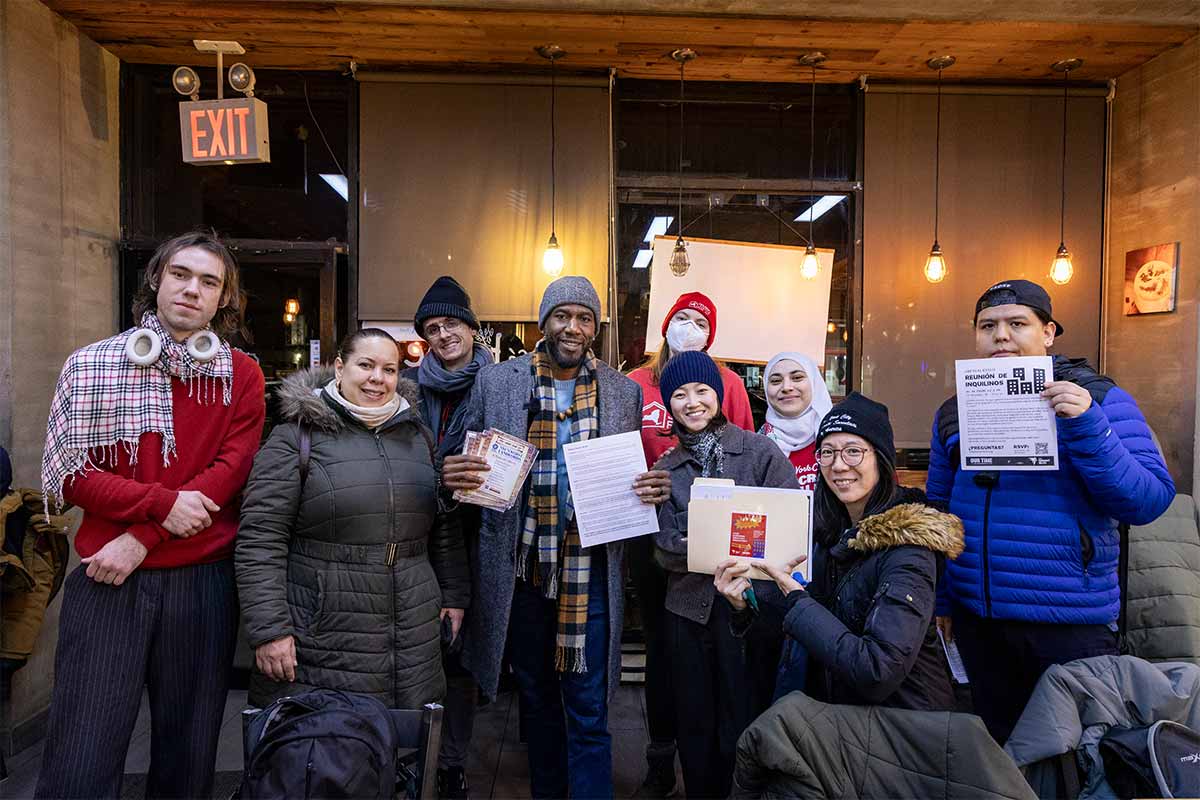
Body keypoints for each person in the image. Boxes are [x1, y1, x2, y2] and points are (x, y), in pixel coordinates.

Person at [35, 231, 266, 799]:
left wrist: (141, 536)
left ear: (224, 299)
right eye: (181, 274)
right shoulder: (91, 365)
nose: (192, 290)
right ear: (156, 279)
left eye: (209, 282)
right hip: (106, 578)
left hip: (201, 582)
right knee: (82, 753)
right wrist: (163, 507)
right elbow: (71, 476)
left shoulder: (242, 375)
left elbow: (230, 471)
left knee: (187, 757)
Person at [441, 276, 667, 799]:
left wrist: (652, 488)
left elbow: (634, 476)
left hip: (591, 569)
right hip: (521, 567)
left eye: (584, 318)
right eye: (562, 315)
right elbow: (459, 460)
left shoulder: (623, 391)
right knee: (537, 699)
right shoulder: (497, 382)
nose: (572, 327)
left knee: (589, 708)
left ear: (595, 329)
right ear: (544, 322)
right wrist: (453, 475)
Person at [927, 279, 1175, 743]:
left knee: (1078, 756)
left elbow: (1148, 500)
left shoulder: (1099, 398)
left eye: (1017, 323)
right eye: (987, 326)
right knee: (1000, 752)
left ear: (1048, 333)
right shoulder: (953, 411)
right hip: (980, 621)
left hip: (1068, 624)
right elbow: (938, 515)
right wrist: (943, 599)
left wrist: (1088, 425)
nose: (1001, 336)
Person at [236, 328, 469, 713]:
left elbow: (443, 527)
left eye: (389, 369)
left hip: (411, 630)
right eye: (366, 365)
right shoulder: (296, 438)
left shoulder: (419, 438)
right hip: (324, 634)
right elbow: (260, 541)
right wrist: (269, 630)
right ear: (340, 368)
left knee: (401, 736)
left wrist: (454, 595)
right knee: (330, 738)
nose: (378, 378)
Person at [720, 392, 960, 714]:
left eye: (853, 451)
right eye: (828, 452)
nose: (838, 465)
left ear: (881, 458)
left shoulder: (909, 549)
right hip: (841, 714)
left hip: (905, 725)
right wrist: (744, 606)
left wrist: (798, 601)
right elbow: (799, 634)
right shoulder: (828, 535)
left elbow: (878, 671)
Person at [652, 350, 798, 799]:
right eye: (679, 394)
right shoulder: (665, 469)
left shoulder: (760, 452)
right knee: (693, 724)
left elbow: (790, 528)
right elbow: (663, 549)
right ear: (668, 403)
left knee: (745, 717)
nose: (692, 402)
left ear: (717, 395)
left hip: (751, 614)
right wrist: (732, 547)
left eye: (702, 390)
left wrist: (700, 543)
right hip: (687, 615)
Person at [625, 290, 754, 795]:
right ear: (665, 323)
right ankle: (662, 755)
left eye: (701, 320)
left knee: (716, 647)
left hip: (717, 538)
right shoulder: (637, 383)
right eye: (682, 317)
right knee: (661, 646)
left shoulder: (730, 384)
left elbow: (744, 453)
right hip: (650, 529)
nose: (690, 326)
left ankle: (722, 763)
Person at [404, 276, 493, 799]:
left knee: (462, 654)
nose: (443, 334)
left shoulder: (500, 383)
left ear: (471, 326)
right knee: (418, 648)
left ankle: (452, 762)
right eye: (433, 327)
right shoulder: (406, 386)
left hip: (481, 535)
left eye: (452, 322)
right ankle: (414, 754)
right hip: (417, 530)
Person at [758, 351, 833, 491]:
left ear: (814, 383)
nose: (786, 387)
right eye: (775, 381)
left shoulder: (836, 436)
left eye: (797, 378)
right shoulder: (756, 446)